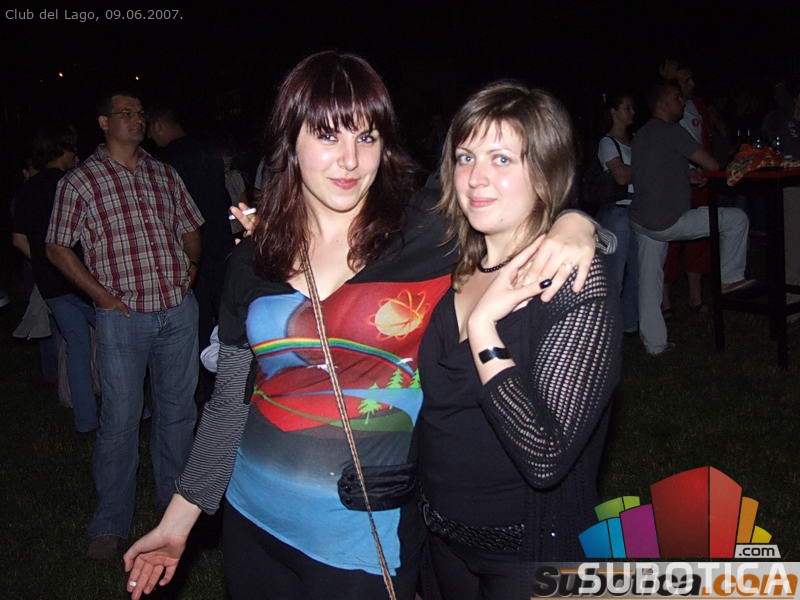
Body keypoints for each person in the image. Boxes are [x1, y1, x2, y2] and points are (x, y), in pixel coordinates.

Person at [123, 52, 607, 600]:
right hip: (252, 519)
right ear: (290, 143)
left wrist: (575, 222)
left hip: (361, 538)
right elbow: (229, 405)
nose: (350, 160)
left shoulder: (426, 234)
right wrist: (177, 523)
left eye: (367, 137)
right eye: (327, 135)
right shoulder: (253, 261)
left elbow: (514, 206)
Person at [415, 82, 622, 600]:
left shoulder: (572, 284)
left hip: (526, 554)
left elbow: (545, 456)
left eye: (502, 158)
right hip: (439, 539)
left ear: (546, 171)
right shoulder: (450, 260)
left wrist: (485, 330)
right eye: (465, 157)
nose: (476, 177)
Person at [45, 90, 204, 559]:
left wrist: (192, 267)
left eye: (140, 113)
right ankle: (110, 522)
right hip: (123, 316)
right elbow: (56, 246)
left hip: (177, 310)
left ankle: (173, 508)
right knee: (120, 419)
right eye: (126, 113)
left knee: (178, 413)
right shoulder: (81, 181)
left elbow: (191, 224)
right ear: (104, 122)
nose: (137, 120)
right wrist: (101, 296)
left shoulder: (163, 173)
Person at [631, 81, 750, 356]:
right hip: (668, 222)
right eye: (677, 98)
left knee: (649, 280)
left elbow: (655, 170)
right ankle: (730, 278)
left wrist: (687, 175)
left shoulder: (642, 134)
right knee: (737, 219)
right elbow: (713, 164)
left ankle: (655, 345)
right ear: (661, 104)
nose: (682, 102)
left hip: (642, 220)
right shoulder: (673, 131)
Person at [11, 123, 98, 432]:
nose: (77, 155)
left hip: (50, 284)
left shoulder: (27, 189)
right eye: (73, 148)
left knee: (77, 347)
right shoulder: (72, 183)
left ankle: (85, 419)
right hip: (82, 280)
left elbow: (18, 239)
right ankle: (132, 409)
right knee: (117, 342)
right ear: (63, 149)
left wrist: (43, 262)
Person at [147, 106, 235, 351]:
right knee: (227, 311)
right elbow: (222, 196)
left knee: (199, 317)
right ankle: (232, 366)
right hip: (220, 241)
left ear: (158, 126)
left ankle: (206, 367)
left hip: (189, 247)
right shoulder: (208, 150)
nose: (150, 137)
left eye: (150, 130)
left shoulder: (163, 163)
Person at [594, 91, 638, 334]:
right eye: (627, 107)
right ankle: (607, 331)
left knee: (639, 273)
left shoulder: (636, 140)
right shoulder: (607, 143)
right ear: (614, 112)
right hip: (617, 213)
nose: (632, 112)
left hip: (639, 209)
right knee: (614, 275)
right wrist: (645, 167)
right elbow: (620, 176)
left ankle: (629, 325)